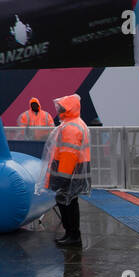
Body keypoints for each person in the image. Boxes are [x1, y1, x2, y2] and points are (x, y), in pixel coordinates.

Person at [43, 93, 90, 247]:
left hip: (68, 173)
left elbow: (68, 154)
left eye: (61, 107)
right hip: (74, 173)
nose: (58, 110)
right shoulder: (76, 123)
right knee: (69, 202)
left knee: (67, 204)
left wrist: (62, 177)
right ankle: (71, 234)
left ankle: (72, 235)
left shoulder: (70, 127)